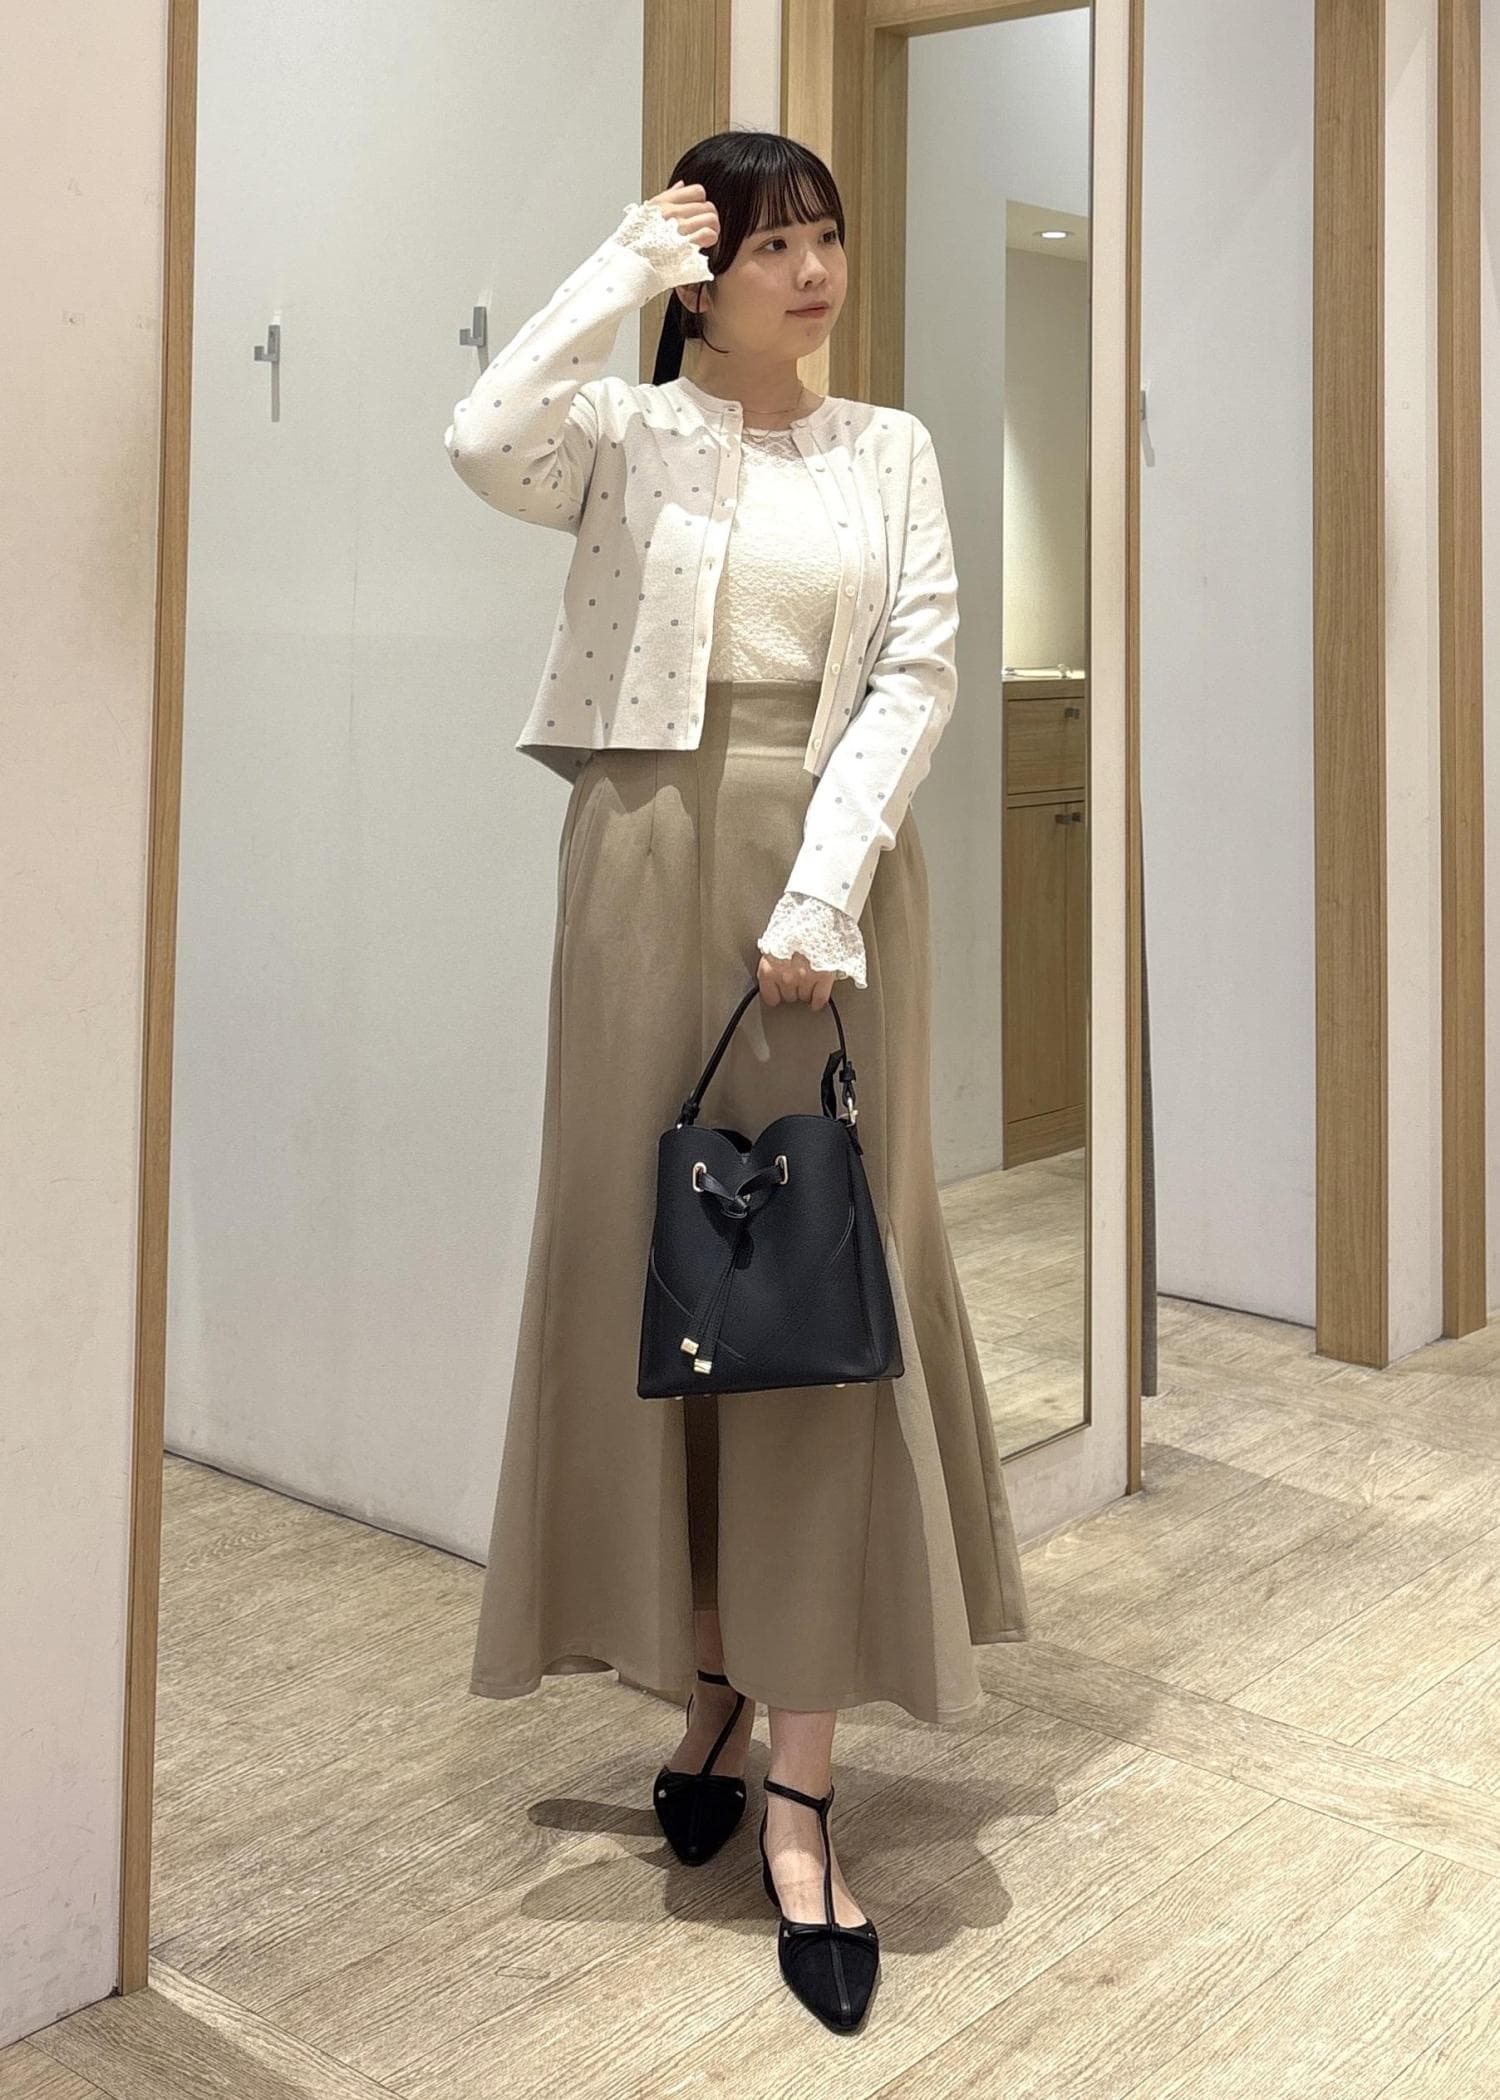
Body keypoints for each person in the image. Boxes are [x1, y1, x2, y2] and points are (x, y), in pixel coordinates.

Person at [446, 128, 1030, 2034]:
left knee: (820, 1295)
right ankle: (701, 1680)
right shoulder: (624, 433)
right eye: (771, 244)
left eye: (826, 236)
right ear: (703, 279)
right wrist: (620, 263)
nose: (813, 270)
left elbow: (919, 673)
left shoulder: (890, 450)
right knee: (663, 1277)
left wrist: (820, 888)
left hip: (826, 877)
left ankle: (801, 1785)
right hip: (637, 861)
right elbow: (481, 437)